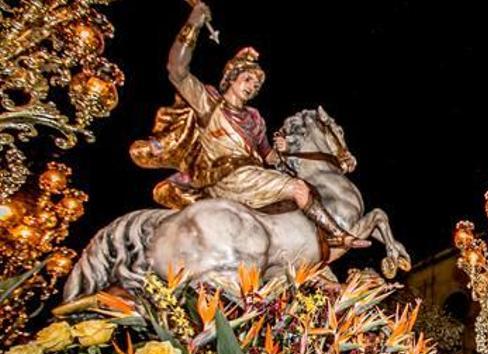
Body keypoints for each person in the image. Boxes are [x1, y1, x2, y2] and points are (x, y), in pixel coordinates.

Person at [130, 1, 369, 249]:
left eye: (255, 86)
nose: (251, 87)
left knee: (290, 203)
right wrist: (193, 23)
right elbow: (177, 69)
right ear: (231, 79)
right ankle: (335, 235)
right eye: (247, 80)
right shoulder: (208, 103)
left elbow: (269, 157)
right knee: (299, 187)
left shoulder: (254, 118)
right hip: (227, 177)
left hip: (254, 176)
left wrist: (282, 149)